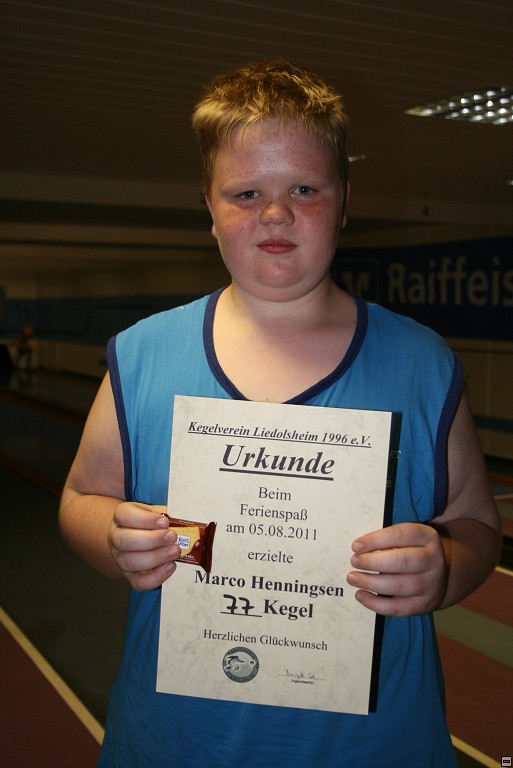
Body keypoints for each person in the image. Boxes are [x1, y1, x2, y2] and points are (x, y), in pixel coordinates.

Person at [59, 59, 501, 767]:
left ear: (344, 200)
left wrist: (445, 568)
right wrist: (113, 537)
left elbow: (476, 525)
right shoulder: (141, 356)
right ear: (208, 208)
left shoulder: (422, 363)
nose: (275, 213)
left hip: (376, 746)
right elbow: (81, 498)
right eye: (245, 193)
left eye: (304, 188)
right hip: (177, 744)